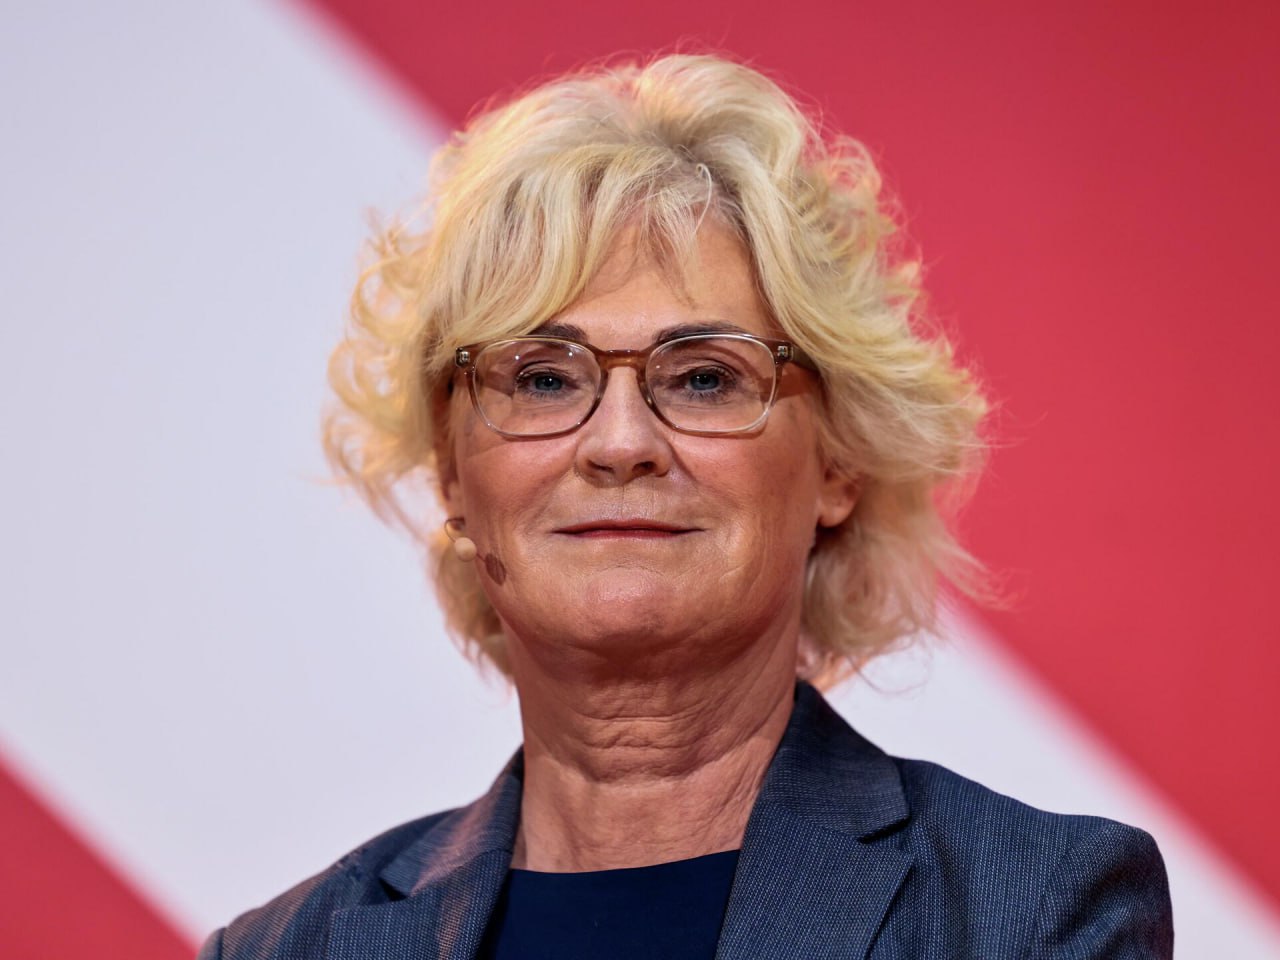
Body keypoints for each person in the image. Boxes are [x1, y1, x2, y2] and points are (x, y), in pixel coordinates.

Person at [198, 53, 1173, 959]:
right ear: (453, 472)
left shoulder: (1033, 913)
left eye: (704, 377)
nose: (620, 442)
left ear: (838, 463)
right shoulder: (286, 948)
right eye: (542, 379)